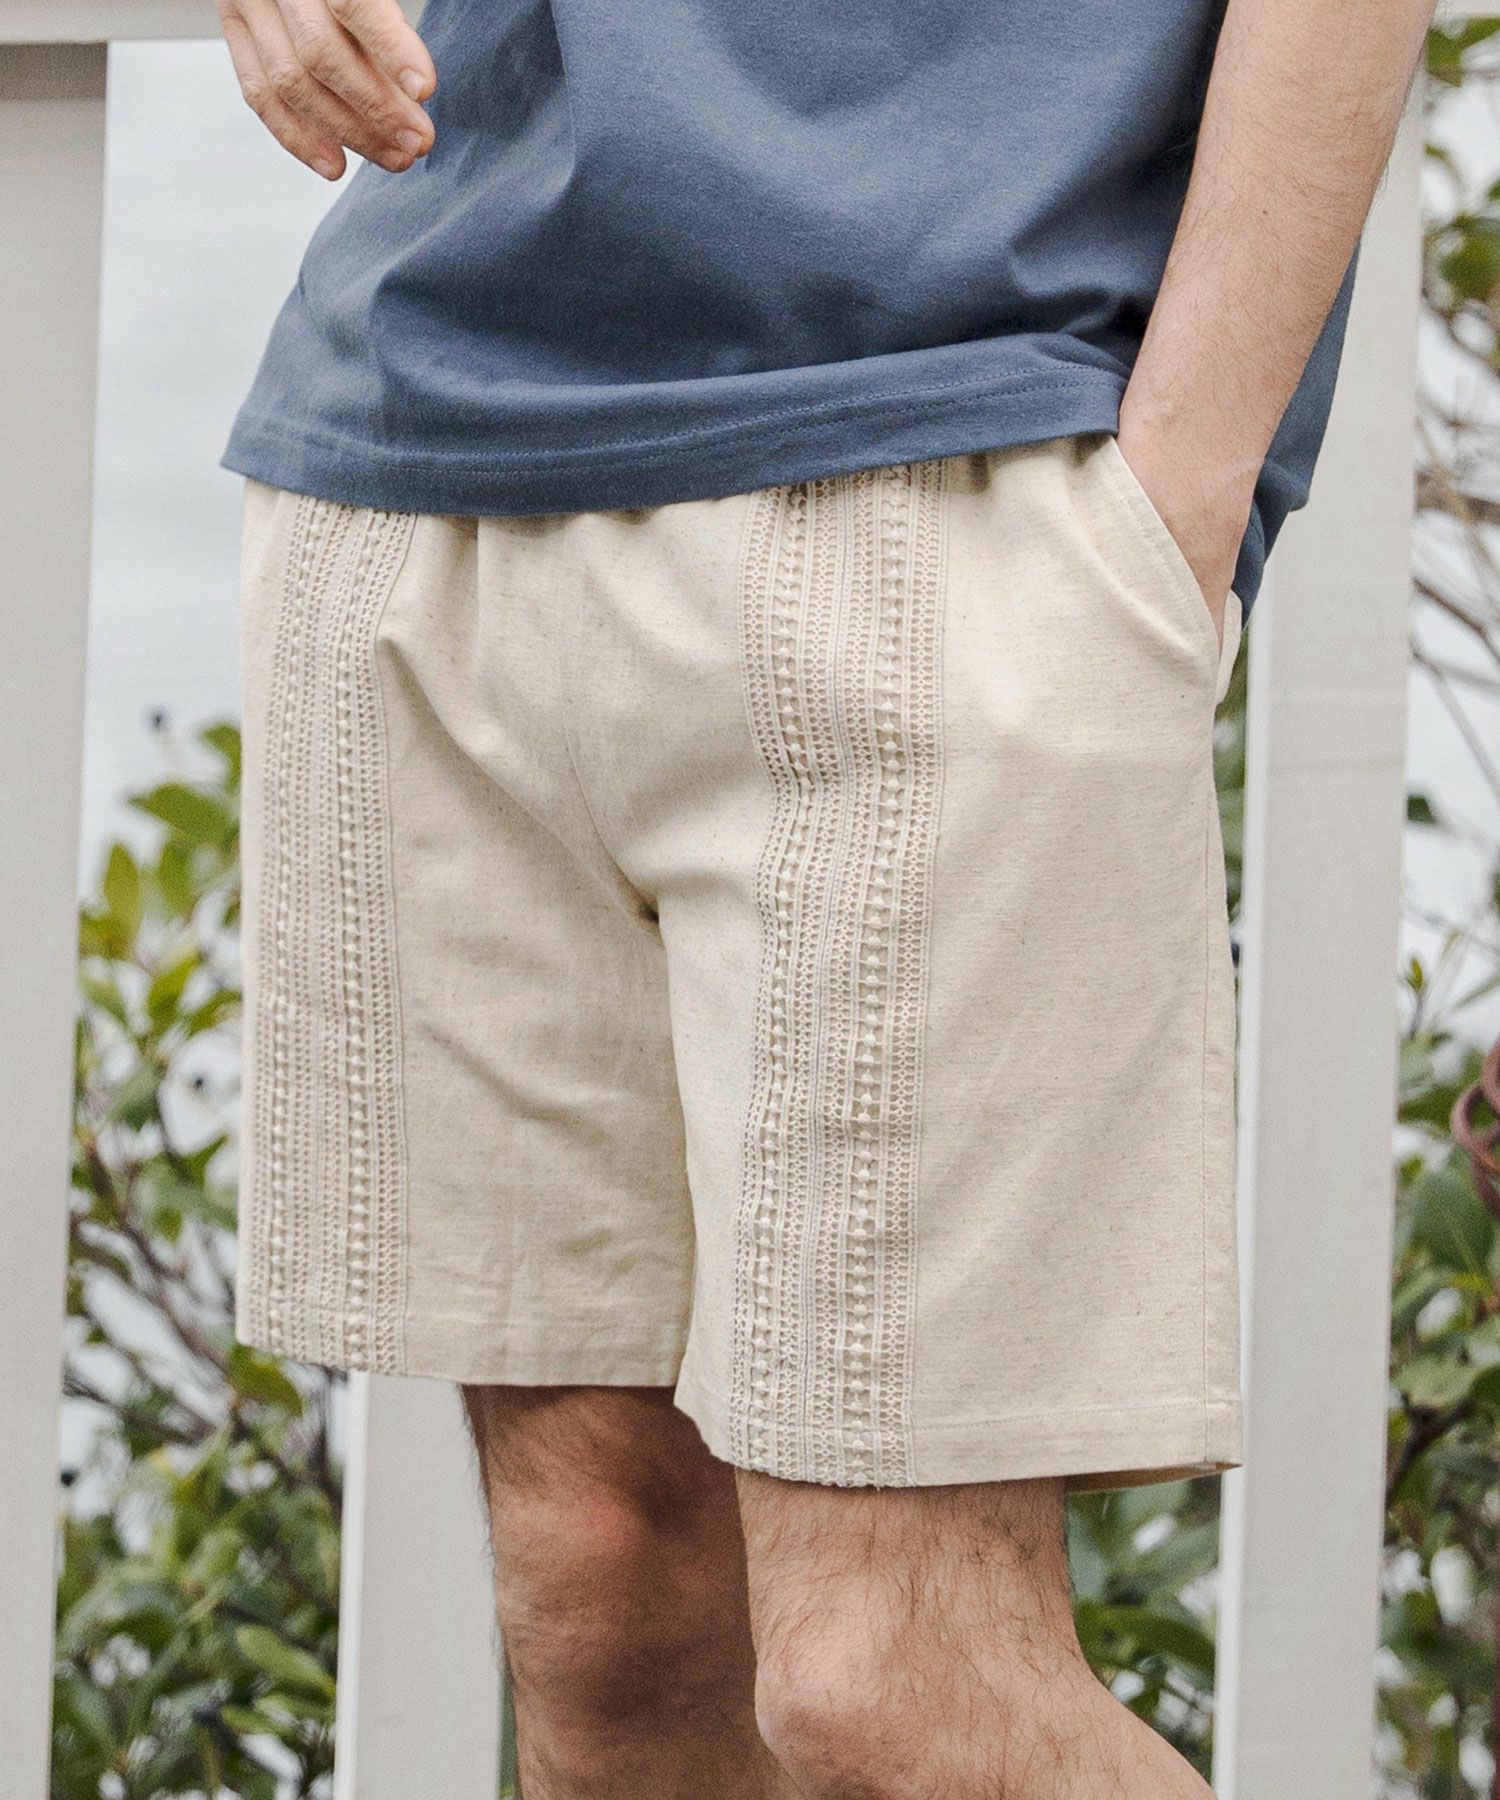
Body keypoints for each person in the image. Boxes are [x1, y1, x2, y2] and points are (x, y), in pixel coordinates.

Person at [216, 0, 1433, 1791]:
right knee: (604, 1614)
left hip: (961, 440)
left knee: (896, 1687)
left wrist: (1183, 486)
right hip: (428, 443)